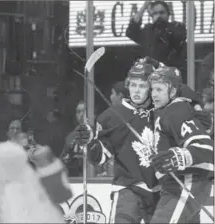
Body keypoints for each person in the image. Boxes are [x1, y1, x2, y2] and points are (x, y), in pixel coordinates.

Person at [77, 61, 160, 223]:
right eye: (133, 85)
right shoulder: (111, 116)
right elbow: (100, 158)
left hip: (160, 190)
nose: (136, 91)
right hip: (128, 189)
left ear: (151, 88)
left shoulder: (162, 112)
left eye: (142, 86)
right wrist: (90, 142)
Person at [149, 66, 214, 223]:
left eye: (159, 89)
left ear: (172, 92)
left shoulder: (176, 110)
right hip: (178, 184)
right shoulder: (165, 112)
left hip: (187, 182)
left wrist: (177, 157)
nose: (154, 94)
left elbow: (204, 147)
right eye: (153, 89)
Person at [126, 1, 187, 83]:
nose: (159, 16)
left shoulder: (177, 27)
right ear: (151, 16)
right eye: (155, 13)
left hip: (170, 77)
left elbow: (179, 39)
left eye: (162, 13)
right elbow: (131, 31)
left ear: (168, 14)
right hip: (150, 78)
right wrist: (144, 6)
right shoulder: (148, 31)